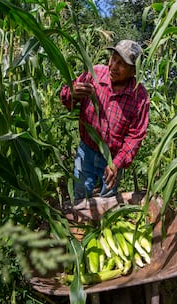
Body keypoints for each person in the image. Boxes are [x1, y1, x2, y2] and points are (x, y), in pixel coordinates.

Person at [60, 40, 150, 200]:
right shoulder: (94, 74)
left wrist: (116, 162)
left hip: (112, 158)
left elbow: (135, 136)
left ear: (133, 72)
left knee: (107, 201)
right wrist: (72, 93)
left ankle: (101, 224)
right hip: (86, 151)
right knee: (80, 196)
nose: (114, 66)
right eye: (113, 58)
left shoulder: (139, 97)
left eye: (122, 64)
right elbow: (66, 97)